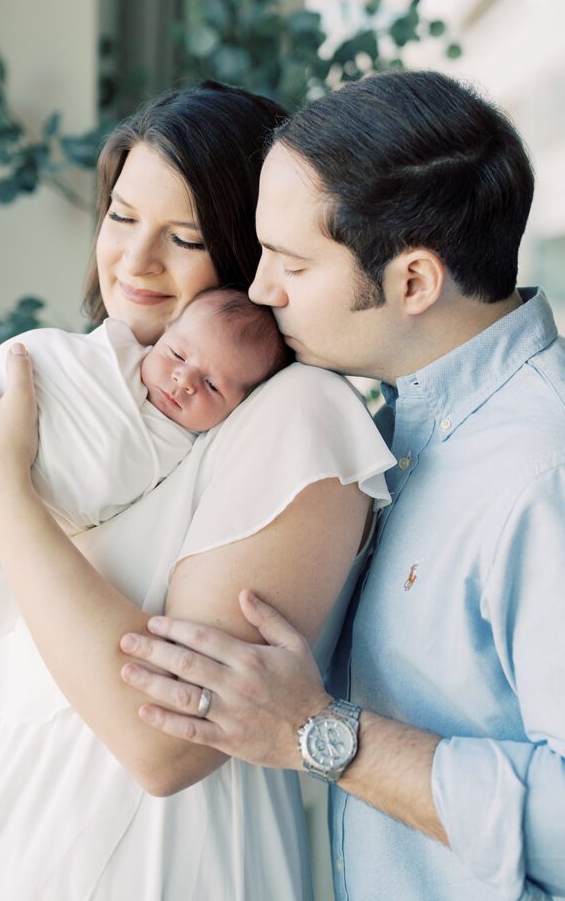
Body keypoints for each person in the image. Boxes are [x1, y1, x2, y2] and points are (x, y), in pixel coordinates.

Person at [0, 81, 395, 899]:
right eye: (121, 217)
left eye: (183, 236)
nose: (135, 263)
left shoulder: (296, 416)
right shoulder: (58, 397)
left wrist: (0, 489)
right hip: (5, 845)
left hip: (167, 859)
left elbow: (167, 746)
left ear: (254, 252)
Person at [118, 70, 565, 901]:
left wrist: (321, 733)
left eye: (289, 262)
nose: (257, 289)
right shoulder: (388, 423)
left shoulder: (540, 476)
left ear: (414, 283)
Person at [0, 287, 289, 640]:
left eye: (212, 386)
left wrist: (2, 477)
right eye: (177, 354)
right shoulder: (110, 358)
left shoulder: (189, 451)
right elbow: (47, 364)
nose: (184, 380)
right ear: (165, 335)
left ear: (240, 406)